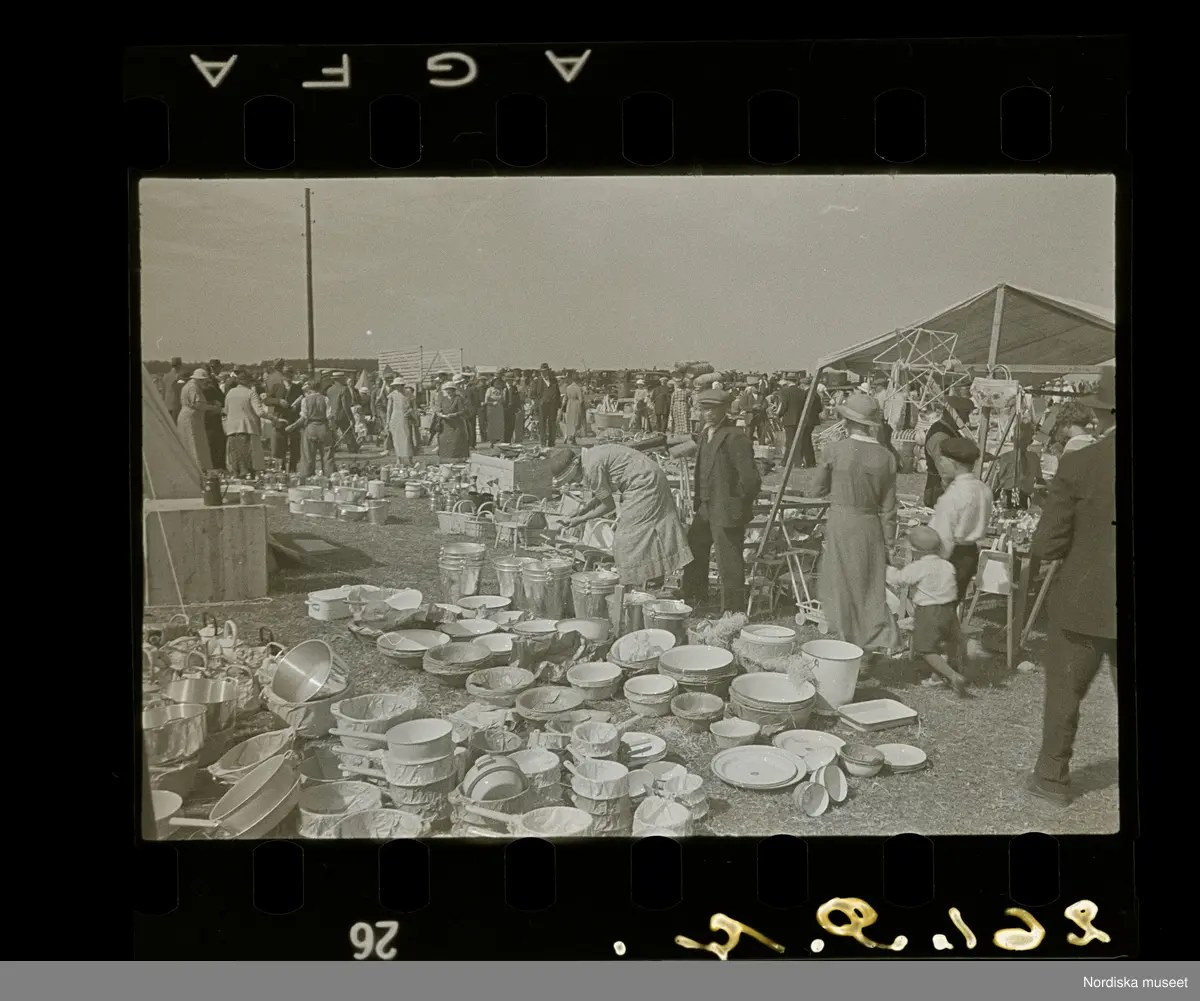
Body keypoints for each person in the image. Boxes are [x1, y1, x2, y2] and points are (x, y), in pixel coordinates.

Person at [1026, 366, 1116, 806]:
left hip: (1084, 598)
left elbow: (1048, 543)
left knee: (1065, 692)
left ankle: (1052, 777)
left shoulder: (1081, 463)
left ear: (1103, 414)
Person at [809, 393, 901, 658]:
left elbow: (816, 490)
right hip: (870, 525)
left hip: (841, 522)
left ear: (846, 421)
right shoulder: (886, 457)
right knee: (869, 586)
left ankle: (849, 644)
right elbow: (889, 508)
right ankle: (871, 641)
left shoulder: (834, 450)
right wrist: (889, 543)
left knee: (842, 585)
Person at [552, 444, 694, 589]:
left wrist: (580, 519)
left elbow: (608, 505)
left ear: (575, 467)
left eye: (571, 479)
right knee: (645, 532)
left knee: (626, 538)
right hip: (649, 476)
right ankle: (651, 579)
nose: (573, 482)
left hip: (645, 483)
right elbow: (603, 495)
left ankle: (636, 583)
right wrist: (581, 511)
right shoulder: (589, 458)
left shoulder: (591, 468)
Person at [680, 389, 761, 614]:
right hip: (706, 505)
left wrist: (737, 503)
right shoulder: (706, 433)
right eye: (704, 408)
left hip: (726, 508)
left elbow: (751, 479)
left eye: (713, 409)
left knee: (728, 560)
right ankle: (694, 596)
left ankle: (732, 609)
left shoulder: (734, 436)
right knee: (695, 546)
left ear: (725, 409)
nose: (707, 413)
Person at [887, 526, 970, 695]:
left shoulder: (920, 566)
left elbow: (899, 579)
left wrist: (886, 568)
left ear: (915, 549)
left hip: (929, 611)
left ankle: (953, 676)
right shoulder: (947, 565)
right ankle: (937, 677)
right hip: (949, 609)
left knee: (925, 648)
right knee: (941, 644)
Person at [928, 438, 994, 606]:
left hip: (950, 555)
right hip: (970, 554)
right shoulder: (984, 490)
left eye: (943, 460)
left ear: (954, 463)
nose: (940, 465)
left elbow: (945, 537)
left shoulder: (954, 495)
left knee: (936, 609)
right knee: (951, 605)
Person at [922, 395, 976, 507]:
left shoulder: (951, 431)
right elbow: (945, 470)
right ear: (954, 414)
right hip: (939, 491)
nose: (967, 420)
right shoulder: (940, 435)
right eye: (965, 415)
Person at [223, 370, 271, 478]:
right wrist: (273, 418)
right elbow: (260, 412)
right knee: (247, 457)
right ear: (249, 382)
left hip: (231, 428)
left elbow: (226, 410)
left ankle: (236, 476)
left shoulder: (230, 393)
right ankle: (247, 476)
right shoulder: (251, 393)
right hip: (246, 427)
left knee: (234, 455)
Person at [286, 379, 335, 478]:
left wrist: (292, 426)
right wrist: (333, 430)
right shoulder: (325, 399)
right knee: (327, 455)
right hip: (323, 427)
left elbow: (303, 418)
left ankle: (307, 477)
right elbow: (330, 417)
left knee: (308, 456)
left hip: (311, 428)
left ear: (310, 388)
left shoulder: (305, 400)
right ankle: (330, 477)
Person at [987, 424, 1044, 503]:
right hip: (1005, 501)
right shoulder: (1002, 460)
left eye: (1023, 439)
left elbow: (1040, 482)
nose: (1019, 442)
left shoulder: (1034, 459)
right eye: (1017, 438)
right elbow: (991, 487)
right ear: (1012, 439)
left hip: (1026, 501)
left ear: (1030, 441)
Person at [176, 369, 220, 472]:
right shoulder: (193, 387)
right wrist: (213, 408)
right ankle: (197, 467)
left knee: (193, 442)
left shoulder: (190, 386)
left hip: (192, 418)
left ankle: (195, 467)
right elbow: (197, 404)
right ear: (200, 379)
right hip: (191, 419)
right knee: (193, 442)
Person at [202, 359, 227, 470]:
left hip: (211, 414)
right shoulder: (210, 382)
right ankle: (216, 466)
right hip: (211, 415)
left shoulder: (212, 381)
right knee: (216, 442)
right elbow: (219, 396)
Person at [435, 380, 470, 459]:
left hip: (456, 423)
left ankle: (458, 457)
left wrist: (454, 414)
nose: (448, 391)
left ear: (453, 390)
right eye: (447, 390)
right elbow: (438, 409)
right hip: (445, 423)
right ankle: (445, 457)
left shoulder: (458, 398)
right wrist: (440, 414)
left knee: (456, 440)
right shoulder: (443, 399)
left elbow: (462, 411)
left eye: (450, 389)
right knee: (444, 440)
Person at [385, 377, 416, 461]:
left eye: (398, 385)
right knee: (396, 439)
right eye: (395, 386)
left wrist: (411, 411)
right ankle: (399, 459)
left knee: (407, 438)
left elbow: (414, 406)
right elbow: (389, 409)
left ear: (402, 385)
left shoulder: (408, 393)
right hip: (395, 416)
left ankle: (409, 459)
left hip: (405, 417)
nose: (397, 387)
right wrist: (387, 422)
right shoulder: (392, 394)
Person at [325, 372, 357, 455]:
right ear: (340, 379)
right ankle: (353, 448)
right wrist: (351, 417)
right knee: (348, 432)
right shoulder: (344, 389)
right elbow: (345, 405)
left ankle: (332, 448)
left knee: (332, 433)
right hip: (342, 415)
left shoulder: (329, 390)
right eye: (343, 378)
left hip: (332, 414)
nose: (344, 379)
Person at [777, 377, 808, 460]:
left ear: (788, 381)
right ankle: (798, 460)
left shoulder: (785, 392)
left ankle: (787, 461)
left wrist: (779, 415)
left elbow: (784, 406)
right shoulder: (802, 392)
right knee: (799, 440)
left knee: (789, 441)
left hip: (789, 420)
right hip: (800, 419)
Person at [534, 364, 561, 447]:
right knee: (542, 424)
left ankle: (551, 442)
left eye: (545, 371)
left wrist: (558, 405)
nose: (544, 373)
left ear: (548, 371)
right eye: (542, 371)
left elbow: (558, 393)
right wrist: (539, 403)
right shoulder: (537, 381)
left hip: (553, 406)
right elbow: (532, 394)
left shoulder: (554, 380)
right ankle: (543, 442)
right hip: (542, 406)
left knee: (552, 423)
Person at [560, 371, 586, 444]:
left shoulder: (568, 388)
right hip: (576, 405)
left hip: (569, 405)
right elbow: (581, 400)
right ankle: (572, 438)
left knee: (569, 422)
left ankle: (567, 436)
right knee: (575, 422)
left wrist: (562, 407)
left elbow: (565, 398)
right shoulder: (578, 388)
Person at [485, 376, 508, 444]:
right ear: (493, 383)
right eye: (496, 382)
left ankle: (500, 439)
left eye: (499, 382)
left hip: (499, 409)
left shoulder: (502, 390)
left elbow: (504, 401)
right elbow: (486, 401)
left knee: (500, 424)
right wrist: (492, 403)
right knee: (492, 425)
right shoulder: (489, 390)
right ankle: (492, 440)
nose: (498, 384)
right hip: (491, 409)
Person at [161, 357, 184, 423]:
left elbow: (163, 393)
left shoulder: (165, 376)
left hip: (167, 405)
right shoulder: (180, 376)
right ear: (180, 365)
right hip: (177, 406)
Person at [504, 373, 523, 443]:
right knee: (505, 426)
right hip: (504, 409)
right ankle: (505, 441)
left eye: (512, 380)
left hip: (512, 409)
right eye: (510, 380)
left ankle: (509, 441)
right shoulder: (503, 387)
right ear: (506, 380)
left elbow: (517, 398)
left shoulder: (514, 388)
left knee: (511, 426)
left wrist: (519, 407)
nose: (511, 381)